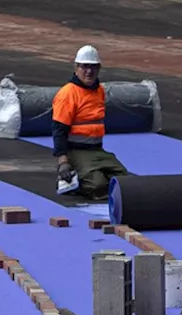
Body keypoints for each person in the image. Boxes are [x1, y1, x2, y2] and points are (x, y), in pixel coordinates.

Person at [52, 44, 129, 200]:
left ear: (99, 68)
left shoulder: (99, 90)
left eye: (93, 67)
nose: (89, 71)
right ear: (76, 67)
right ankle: (71, 181)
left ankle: (90, 173)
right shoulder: (68, 94)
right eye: (85, 67)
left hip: (97, 150)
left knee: (125, 182)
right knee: (97, 187)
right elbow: (59, 130)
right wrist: (63, 162)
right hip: (76, 151)